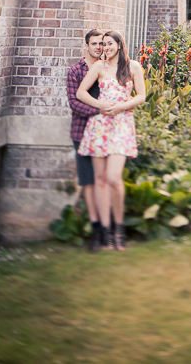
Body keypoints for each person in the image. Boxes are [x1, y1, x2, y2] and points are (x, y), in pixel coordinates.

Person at [77, 30, 146, 250]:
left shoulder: (133, 67)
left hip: (122, 124)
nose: (105, 48)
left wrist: (122, 106)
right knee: (100, 179)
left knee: (114, 178)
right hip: (100, 126)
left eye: (109, 44)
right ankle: (106, 234)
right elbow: (81, 92)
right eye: (103, 44)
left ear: (118, 44)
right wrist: (100, 105)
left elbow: (141, 96)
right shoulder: (99, 66)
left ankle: (119, 230)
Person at [66, 29, 112, 252]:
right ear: (86, 46)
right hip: (82, 131)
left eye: (101, 44)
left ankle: (107, 228)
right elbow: (74, 103)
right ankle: (96, 230)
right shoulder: (76, 71)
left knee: (105, 180)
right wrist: (100, 111)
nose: (98, 47)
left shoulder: (108, 69)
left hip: (106, 133)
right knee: (89, 182)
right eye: (94, 43)